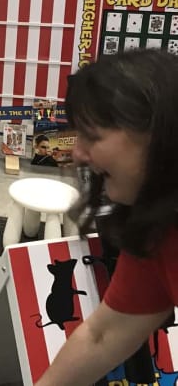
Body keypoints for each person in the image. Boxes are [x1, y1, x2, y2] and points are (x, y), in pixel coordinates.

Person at [36, 49, 178, 385]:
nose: (77, 154)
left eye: (92, 137)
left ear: (159, 134)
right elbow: (102, 336)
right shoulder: (158, 230)